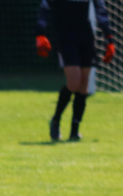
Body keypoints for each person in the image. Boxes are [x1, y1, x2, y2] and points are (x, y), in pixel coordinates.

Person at [36, 0, 116, 141]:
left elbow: (101, 11)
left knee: (84, 86)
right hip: (66, 38)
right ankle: (56, 120)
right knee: (74, 83)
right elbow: (44, 7)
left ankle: (74, 131)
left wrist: (109, 38)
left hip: (85, 36)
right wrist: (40, 33)